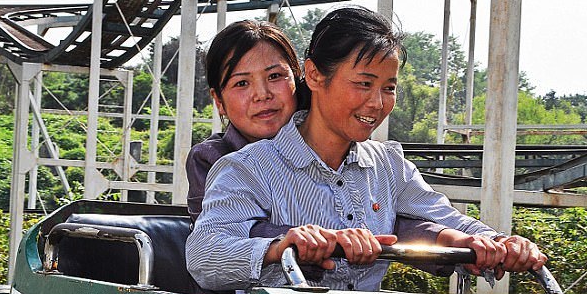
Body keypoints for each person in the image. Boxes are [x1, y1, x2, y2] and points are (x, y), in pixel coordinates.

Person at [186, 7, 545, 294]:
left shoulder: (387, 165)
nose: (375, 103)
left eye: (388, 88)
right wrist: (282, 245)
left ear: (296, 78)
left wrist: (498, 242)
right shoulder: (244, 168)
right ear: (313, 76)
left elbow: (443, 218)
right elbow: (204, 254)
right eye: (362, 84)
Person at [186, 19, 446, 246]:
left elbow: (390, 221)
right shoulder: (216, 160)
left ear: (301, 78)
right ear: (218, 100)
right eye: (242, 83)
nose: (262, 95)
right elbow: (228, 236)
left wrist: (446, 237)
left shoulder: (342, 150)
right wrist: (327, 240)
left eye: (275, 76)